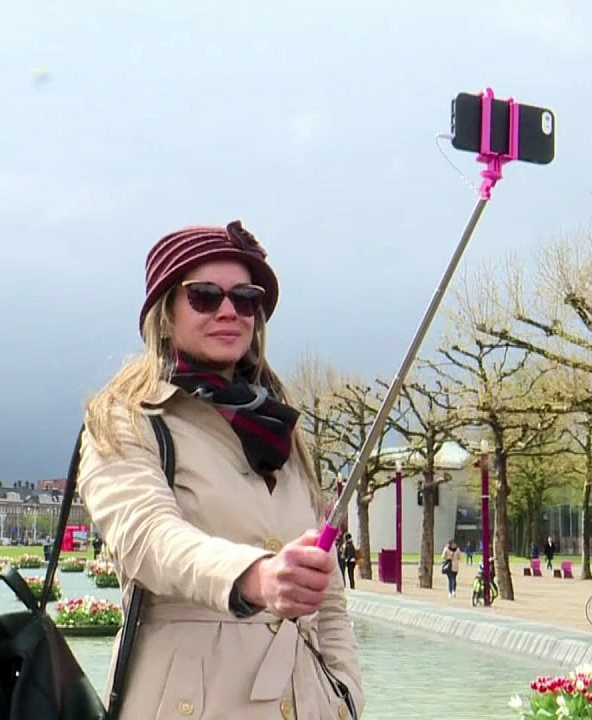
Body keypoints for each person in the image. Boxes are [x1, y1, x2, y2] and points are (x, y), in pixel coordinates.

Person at [77, 220, 362, 719]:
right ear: (164, 313)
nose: (229, 310)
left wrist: (345, 693)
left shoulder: (281, 430)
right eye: (204, 296)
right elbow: (149, 538)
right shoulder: (127, 417)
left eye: (246, 297)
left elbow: (329, 595)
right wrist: (256, 576)